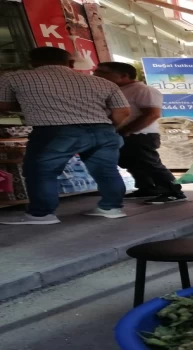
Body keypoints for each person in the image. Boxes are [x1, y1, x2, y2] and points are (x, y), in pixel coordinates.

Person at [0, 47, 130, 225]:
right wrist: (107, 127)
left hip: (55, 131)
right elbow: (123, 111)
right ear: (70, 63)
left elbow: (4, 106)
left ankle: (41, 214)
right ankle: (112, 208)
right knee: (106, 171)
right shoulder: (102, 82)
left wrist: (33, 104)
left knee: (42, 172)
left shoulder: (15, 77)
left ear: (32, 62)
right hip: (103, 130)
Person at [94, 62, 186, 204]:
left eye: (102, 72)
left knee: (149, 163)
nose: (96, 75)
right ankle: (147, 188)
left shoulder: (142, 90)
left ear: (123, 76)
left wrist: (128, 130)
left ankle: (174, 191)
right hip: (123, 133)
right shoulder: (117, 90)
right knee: (131, 163)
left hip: (140, 134)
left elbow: (152, 114)